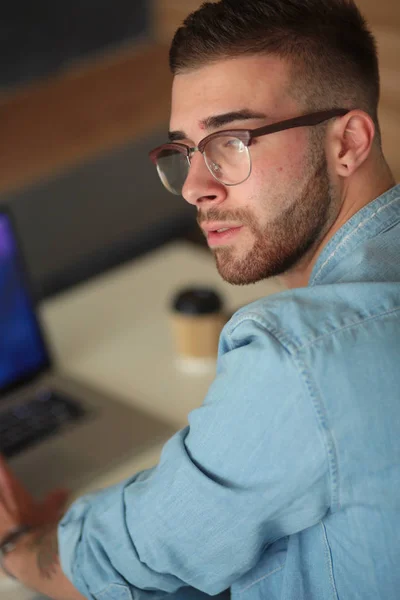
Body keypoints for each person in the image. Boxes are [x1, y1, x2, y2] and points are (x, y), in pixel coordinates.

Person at [1, 0, 399, 598]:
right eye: (186, 150)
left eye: (231, 141)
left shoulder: (302, 357)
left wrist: (18, 546)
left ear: (348, 142)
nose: (193, 187)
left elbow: (130, 563)